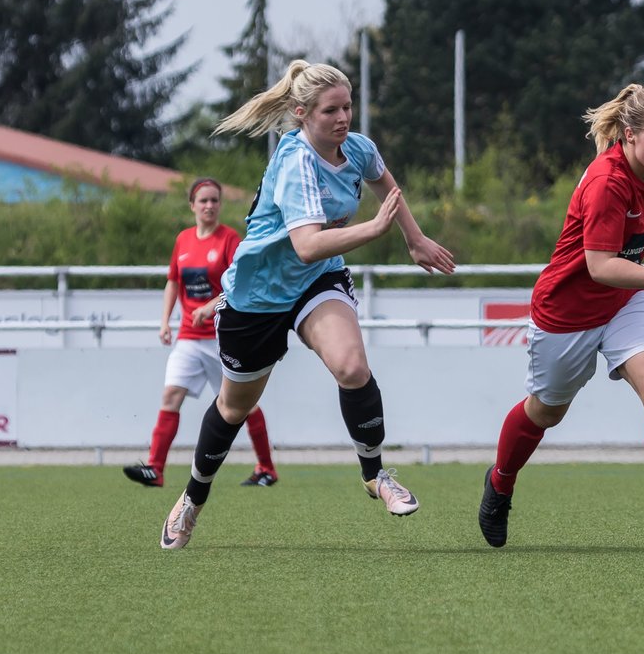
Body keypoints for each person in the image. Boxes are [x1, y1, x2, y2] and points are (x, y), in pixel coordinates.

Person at [160, 60, 455, 549]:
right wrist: (375, 230)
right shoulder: (296, 162)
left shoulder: (356, 148)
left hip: (317, 280)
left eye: (347, 106)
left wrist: (415, 238)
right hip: (259, 294)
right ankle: (191, 498)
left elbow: (386, 184)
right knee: (234, 408)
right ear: (301, 114)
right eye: (330, 111)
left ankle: (376, 475)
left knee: (352, 366)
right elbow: (305, 245)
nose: (343, 118)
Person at [477, 84, 644, 548]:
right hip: (568, 309)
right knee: (547, 411)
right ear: (630, 135)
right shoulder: (606, 182)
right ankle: (500, 483)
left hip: (625, 298)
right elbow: (600, 266)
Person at [124, 178, 278, 489]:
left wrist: (211, 306)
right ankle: (155, 468)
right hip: (189, 339)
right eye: (203, 201)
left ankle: (266, 468)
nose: (209, 206)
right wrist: (165, 321)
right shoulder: (183, 240)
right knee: (171, 395)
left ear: (220, 205)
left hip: (223, 337)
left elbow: (241, 284)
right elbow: (172, 281)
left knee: (244, 404)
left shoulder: (229, 240)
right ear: (192, 205)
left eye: (214, 201)